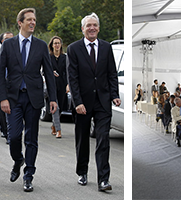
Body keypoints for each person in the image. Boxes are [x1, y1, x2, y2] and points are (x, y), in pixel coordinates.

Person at [0, 8, 57, 192]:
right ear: (20, 23)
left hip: (34, 97)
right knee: (14, 136)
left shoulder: (40, 46)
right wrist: (3, 98)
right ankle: (18, 160)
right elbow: (0, 74)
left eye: (34, 20)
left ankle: (28, 175)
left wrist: (53, 99)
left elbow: (48, 72)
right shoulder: (8, 45)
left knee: (31, 138)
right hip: (13, 98)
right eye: (29, 20)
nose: (32, 22)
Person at [68, 12, 120, 192]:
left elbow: (112, 73)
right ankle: (82, 171)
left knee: (103, 139)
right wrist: (77, 102)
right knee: (82, 140)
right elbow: (72, 78)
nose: (92, 28)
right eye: (88, 25)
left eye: (95, 25)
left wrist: (114, 94)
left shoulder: (106, 47)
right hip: (82, 102)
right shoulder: (74, 49)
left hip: (103, 101)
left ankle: (103, 179)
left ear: (98, 28)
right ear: (82, 29)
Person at [49, 35, 67, 138]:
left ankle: (54, 125)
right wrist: (51, 73)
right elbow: (44, 71)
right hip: (52, 85)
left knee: (60, 107)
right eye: (55, 43)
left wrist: (68, 84)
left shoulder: (65, 57)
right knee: (56, 107)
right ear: (52, 45)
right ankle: (59, 130)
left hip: (62, 85)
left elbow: (69, 71)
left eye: (58, 43)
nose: (57, 45)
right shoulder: (48, 57)